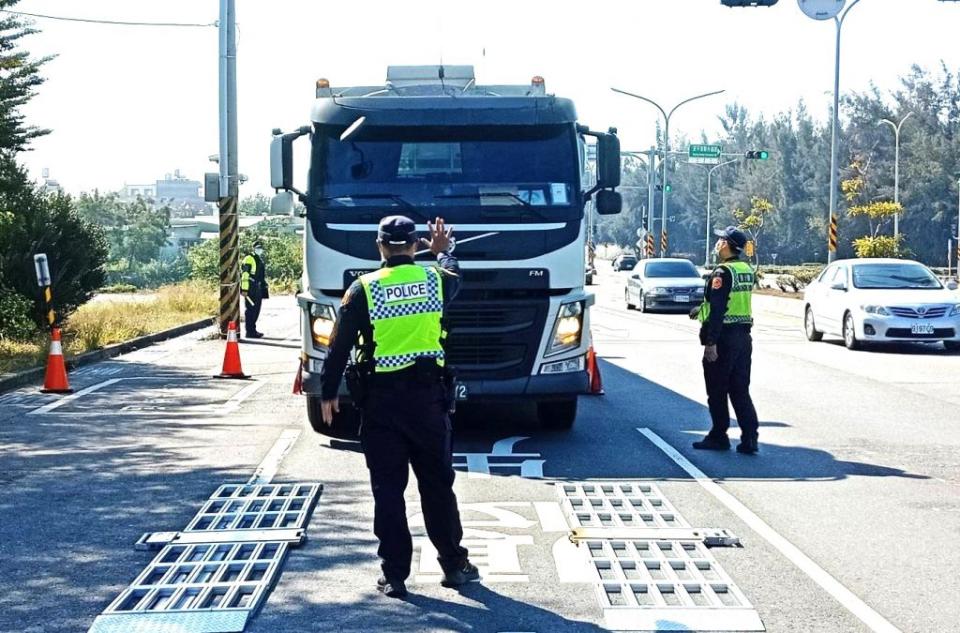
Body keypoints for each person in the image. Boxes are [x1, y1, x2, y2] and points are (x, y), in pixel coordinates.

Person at [318, 215, 479, 599]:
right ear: (414, 246)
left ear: (380, 247)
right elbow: (454, 273)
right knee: (437, 486)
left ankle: (395, 575)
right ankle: (454, 565)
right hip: (428, 403)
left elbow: (338, 347)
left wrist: (327, 393)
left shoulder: (363, 290)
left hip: (381, 405)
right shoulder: (436, 281)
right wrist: (443, 251)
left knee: (388, 490)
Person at [689, 226, 760, 454]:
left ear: (727, 244)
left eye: (720, 240)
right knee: (740, 390)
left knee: (717, 390)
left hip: (724, 339)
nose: (717, 243)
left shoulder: (722, 273)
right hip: (743, 338)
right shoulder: (745, 269)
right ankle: (750, 438)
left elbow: (718, 309)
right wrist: (699, 310)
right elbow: (725, 304)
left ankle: (719, 436)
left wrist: (711, 344)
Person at [240, 240, 269, 338]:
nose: (259, 249)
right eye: (258, 248)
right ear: (253, 248)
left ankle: (253, 330)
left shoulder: (259, 259)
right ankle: (250, 332)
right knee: (251, 310)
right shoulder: (249, 258)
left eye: (261, 248)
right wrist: (244, 290)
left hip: (258, 288)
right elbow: (245, 275)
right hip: (250, 288)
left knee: (256, 309)